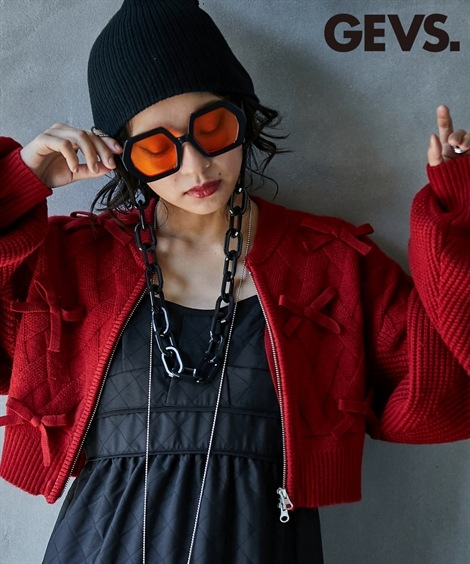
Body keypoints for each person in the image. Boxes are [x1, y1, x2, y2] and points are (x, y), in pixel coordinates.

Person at [0, 0, 469, 562]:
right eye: (157, 148)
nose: (196, 166)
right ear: (124, 155)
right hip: (101, 545)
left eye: (214, 127)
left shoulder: (332, 263)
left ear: (243, 116)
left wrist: (456, 219)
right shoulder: (70, 262)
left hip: (262, 543)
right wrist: (19, 183)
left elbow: (447, 393)